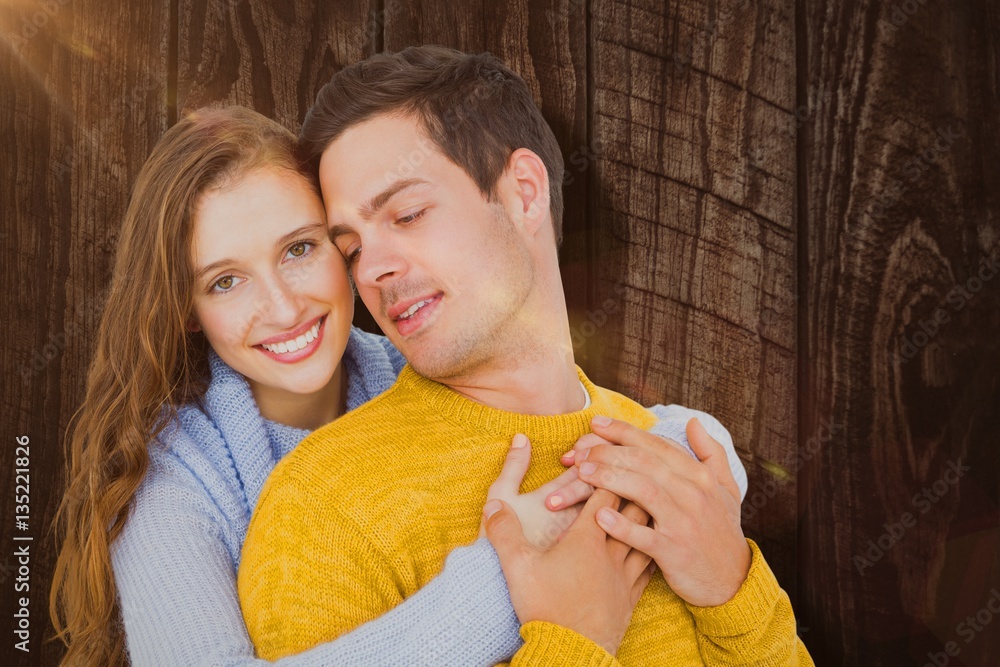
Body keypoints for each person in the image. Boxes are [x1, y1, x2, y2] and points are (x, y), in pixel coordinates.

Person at [48, 105, 738, 666]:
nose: (283, 308)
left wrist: (697, 452)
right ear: (186, 311)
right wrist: (510, 580)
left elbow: (580, 414)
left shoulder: (416, 371)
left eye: (300, 249)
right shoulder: (172, 478)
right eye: (225, 281)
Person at [238, 46, 810, 665]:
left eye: (407, 213)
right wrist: (572, 644)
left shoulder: (666, 460)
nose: (373, 270)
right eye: (350, 249)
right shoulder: (325, 510)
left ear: (525, 192)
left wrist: (732, 588)